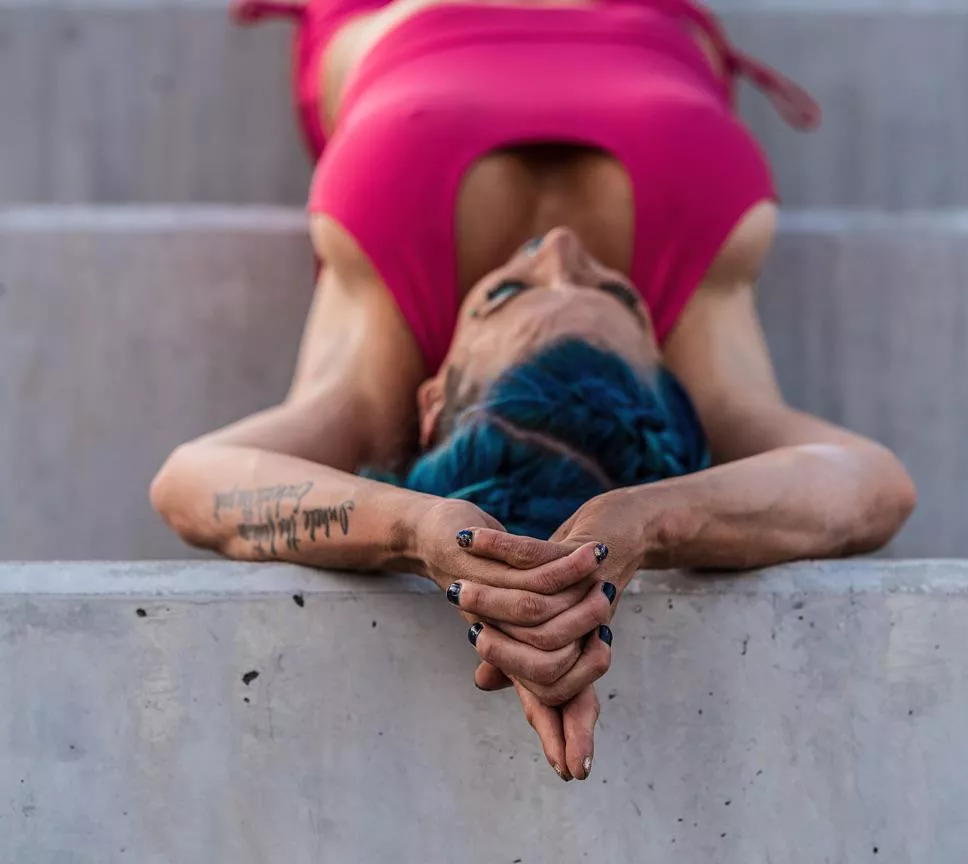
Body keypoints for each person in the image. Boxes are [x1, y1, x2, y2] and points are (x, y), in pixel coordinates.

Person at [150, 0, 917, 782]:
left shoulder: (381, 366)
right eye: (618, 293)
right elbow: (874, 485)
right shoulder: (694, 339)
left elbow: (190, 481)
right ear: (665, 361)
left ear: (433, 392)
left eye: (502, 294)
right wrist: (648, 521)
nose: (558, 248)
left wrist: (419, 533)